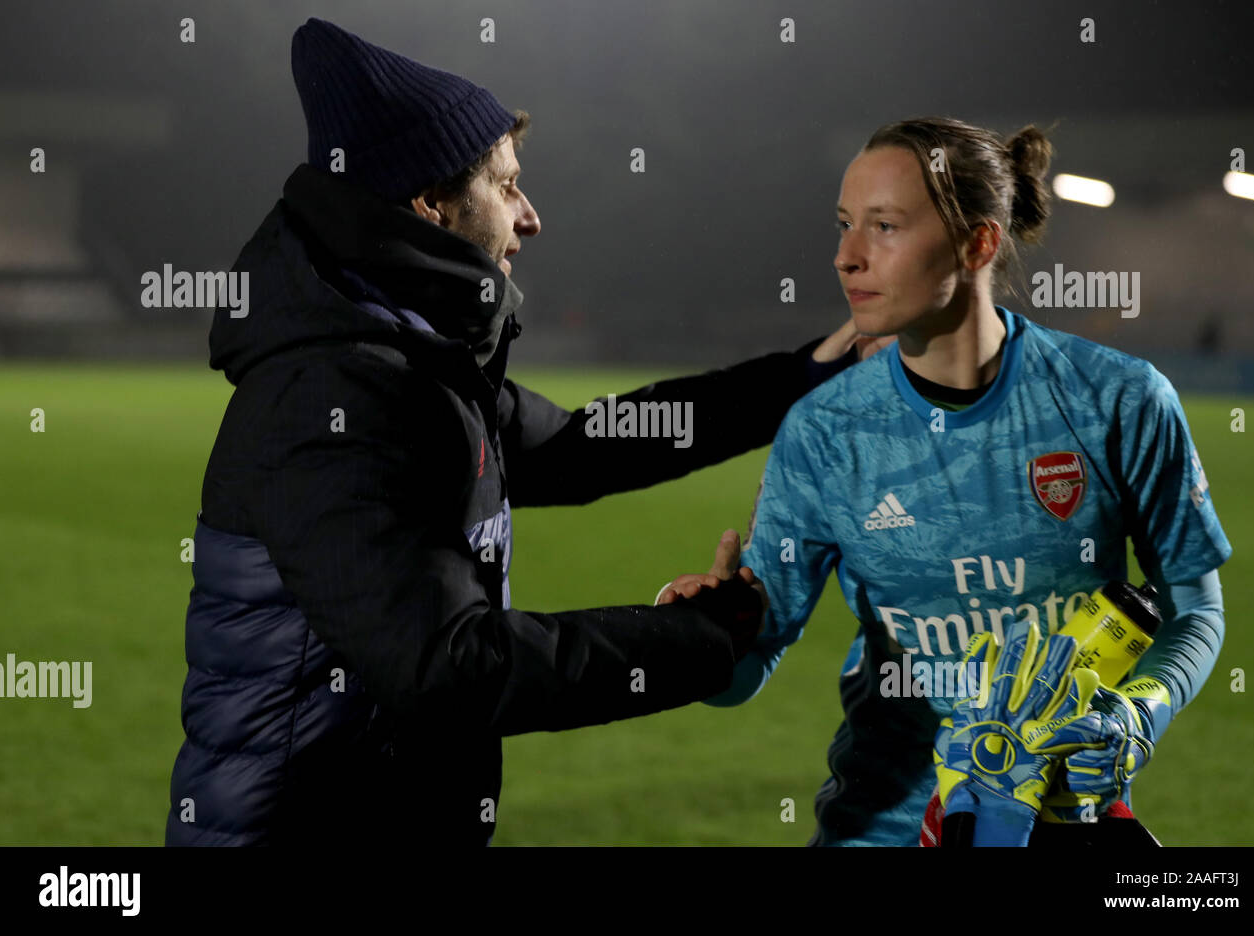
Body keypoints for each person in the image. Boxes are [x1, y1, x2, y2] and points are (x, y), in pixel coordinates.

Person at [165, 17, 871, 846]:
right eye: (505, 186)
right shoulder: (333, 396)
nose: (529, 217)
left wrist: (803, 376)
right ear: (430, 202)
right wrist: (700, 638)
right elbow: (452, 668)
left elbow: (580, 444)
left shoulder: (411, 359)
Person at [659, 116, 1231, 846]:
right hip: (879, 830)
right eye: (844, 226)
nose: (846, 257)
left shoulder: (1117, 401)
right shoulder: (825, 430)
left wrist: (1137, 713)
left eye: (885, 227)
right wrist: (702, 634)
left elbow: (1195, 612)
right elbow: (746, 669)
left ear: (978, 243)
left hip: (1057, 825)